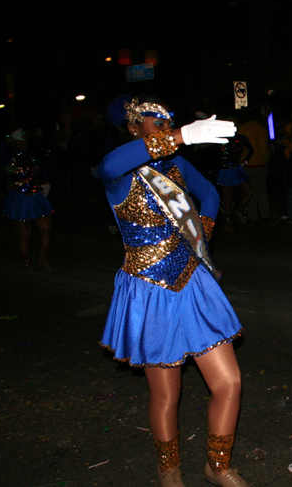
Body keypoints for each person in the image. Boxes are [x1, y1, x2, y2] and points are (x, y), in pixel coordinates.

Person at [98, 97, 250, 487]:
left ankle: (217, 467)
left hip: (193, 281)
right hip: (148, 290)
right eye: (155, 120)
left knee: (229, 382)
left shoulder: (177, 166)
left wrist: (204, 237)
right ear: (133, 128)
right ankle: (169, 470)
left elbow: (211, 194)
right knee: (168, 395)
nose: (165, 125)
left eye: (170, 120)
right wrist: (182, 135)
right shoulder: (120, 172)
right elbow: (109, 165)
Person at [0, 130, 54, 272]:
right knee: (24, 232)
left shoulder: (32, 156)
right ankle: (27, 261)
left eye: (26, 141)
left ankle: (43, 258)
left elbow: (42, 171)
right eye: (21, 141)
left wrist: (46, 183)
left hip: (35, 195)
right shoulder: (8, 156)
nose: (24, 144)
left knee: (46, 227)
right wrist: (8, 138)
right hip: (18, 196)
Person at [216, 132, 254, 230]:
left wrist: (245, 162)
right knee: (228, 197)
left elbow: (251, 150)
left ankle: (239, 211)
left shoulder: (240, 137)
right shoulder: (219, 136)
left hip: (236, 168)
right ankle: (227, 223)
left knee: (248, 191)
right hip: (224, 169)